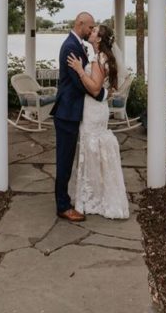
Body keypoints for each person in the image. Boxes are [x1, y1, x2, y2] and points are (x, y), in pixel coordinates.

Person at [66, 23, 129, 219]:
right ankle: (98, 194)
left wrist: (79, 69)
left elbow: (94, 89)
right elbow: (103, 88)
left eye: (94, 31)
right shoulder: (102, 57)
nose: (91, 32)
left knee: (91, 148)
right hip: (98, 109)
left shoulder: (98, 58)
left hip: (93, 110)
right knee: (95, 149)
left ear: (99, 39)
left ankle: (92, 198)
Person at [50, 12, 106, 222]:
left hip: (74, 111)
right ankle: (63, 206)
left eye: (93, 29)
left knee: (68, 158)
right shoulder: (70, 47)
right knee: (64, 159)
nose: (91, 31)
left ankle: (66, 198)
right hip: (67, 112)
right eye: (90, 28)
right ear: (80, 24)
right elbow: (78, 83)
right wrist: (101, 93)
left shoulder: (78, 44)